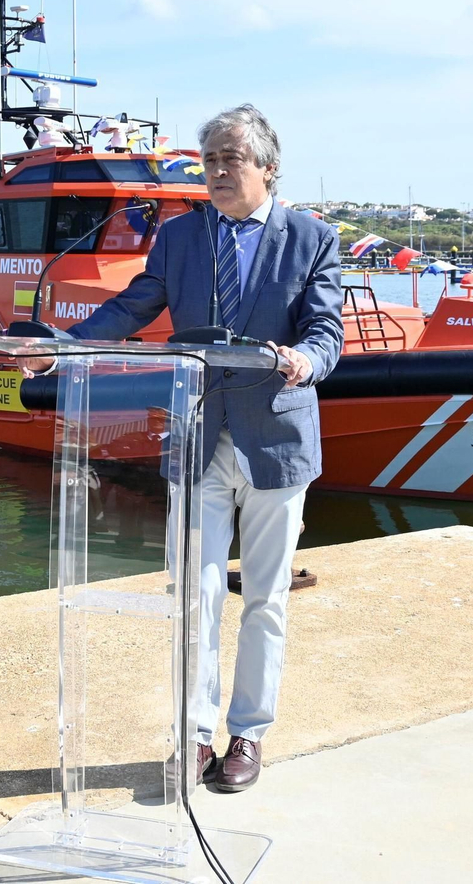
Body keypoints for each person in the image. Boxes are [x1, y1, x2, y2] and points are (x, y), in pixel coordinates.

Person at [58, 104, 343, 792]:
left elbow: (326, 327)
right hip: (199, 437)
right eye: (209, 159)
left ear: (268, 168)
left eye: (231, 159)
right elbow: (135, 305)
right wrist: (65, 349)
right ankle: (194, 734)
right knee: (198, 596)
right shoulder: (180, 236)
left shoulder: (312, 238)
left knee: (266, 598)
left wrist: (304, 359)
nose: (217, 170)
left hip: (277, 441)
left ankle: (248, 735)